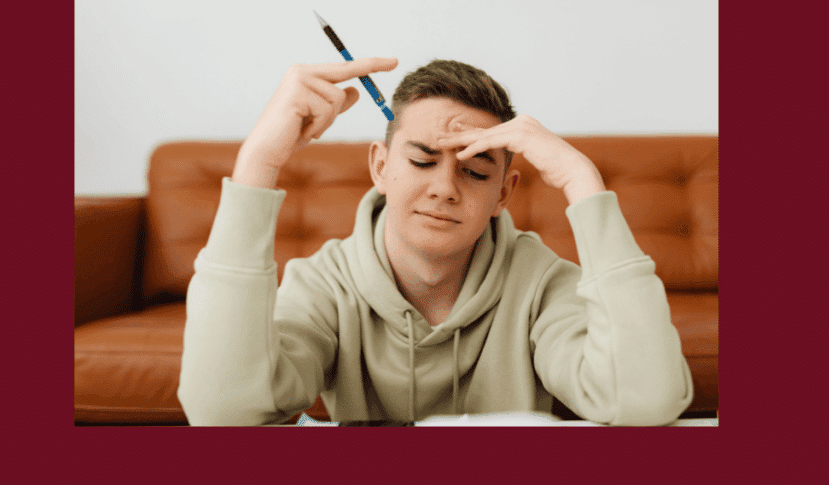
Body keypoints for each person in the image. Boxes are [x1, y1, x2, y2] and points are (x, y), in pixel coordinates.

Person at [177, 57, 693, 426]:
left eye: (474, 171)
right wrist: (258, 164)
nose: (444, 188)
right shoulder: (322, 283)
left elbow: (644, 404)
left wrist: (584, 183)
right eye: (422, 160)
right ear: (380, 167)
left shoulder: (542, 282)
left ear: (503, 194)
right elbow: (223, 415)